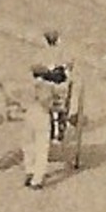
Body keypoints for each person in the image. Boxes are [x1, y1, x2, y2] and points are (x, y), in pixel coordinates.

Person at [23, 30, 69, 190]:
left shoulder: (40, 56)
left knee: (29, 143)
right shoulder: (60, 54)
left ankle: (31, 171)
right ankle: (36, 176)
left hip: (31, 111)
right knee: (40, 145)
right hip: (42, 112)